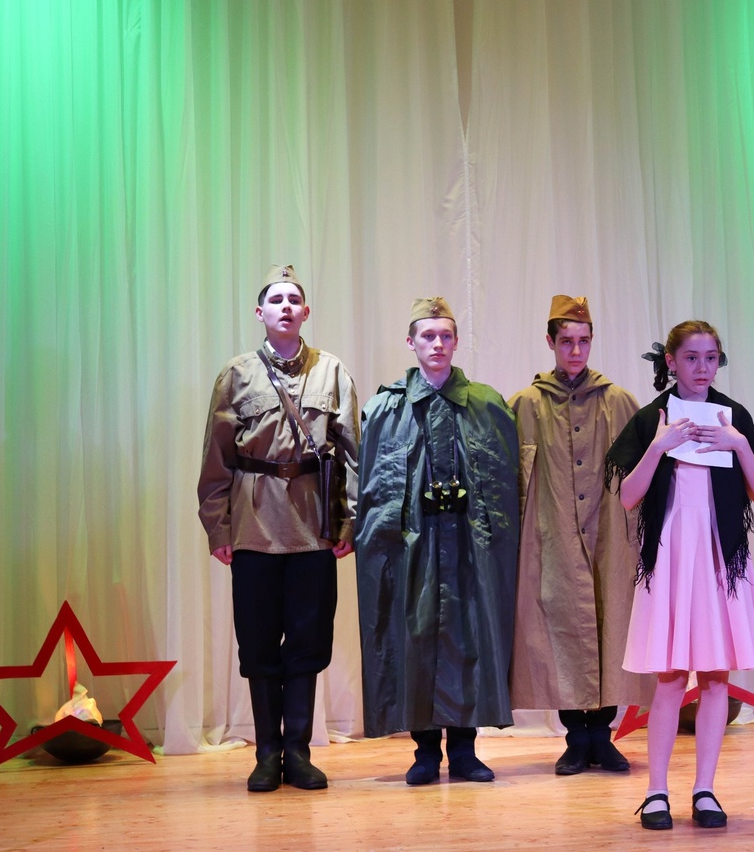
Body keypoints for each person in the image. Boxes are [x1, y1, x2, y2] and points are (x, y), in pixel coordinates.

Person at [605, 320, 754, 830]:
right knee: (671, 678)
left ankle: (705, 789)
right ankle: (656, 792)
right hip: (673, 554)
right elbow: (628, 497)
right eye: (691, 358)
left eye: (711, 358)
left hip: (721, 556)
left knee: (717, 677)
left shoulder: (732, 416)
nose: (702, 368)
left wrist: (737, 443)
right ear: (672, 362)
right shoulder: (652, 418)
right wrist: (659, 446)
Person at [197, 264, 360, 792]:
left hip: (313, 525)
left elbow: (354, 454)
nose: (286, 307)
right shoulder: (236, 374)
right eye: (276, 300)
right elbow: (217, 458)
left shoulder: (331, 371)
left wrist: (349, 521)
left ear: (306, 312)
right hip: (253, 526)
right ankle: (267, 755)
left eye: (294, 300)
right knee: (259, 642)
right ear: (260, 312)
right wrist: (218, 528)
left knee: (309, 643)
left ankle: (299, 752)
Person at [355, 296, 519, 785]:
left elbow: (505, 482)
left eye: (446, 335)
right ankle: (425, 752)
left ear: (456, 341)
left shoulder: (486, 404)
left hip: (468, 545)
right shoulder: (386, 408)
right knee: (416, 636)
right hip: (414, 544)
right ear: (411, 342)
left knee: (468, 635)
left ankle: (465, 751)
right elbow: (371, 485)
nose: (438, 344)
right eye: (428, 335)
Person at [508, 295, 652, 776]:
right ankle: (576, 738)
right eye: (566, 341)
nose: (575, 351)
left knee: (614, 625)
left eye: (583, 341)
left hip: (613, 536)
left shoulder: (619, 402)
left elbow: (649, 473)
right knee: (560, 629)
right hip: (551, 537)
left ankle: (603, 737)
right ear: (550, 342)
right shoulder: (525, 405)